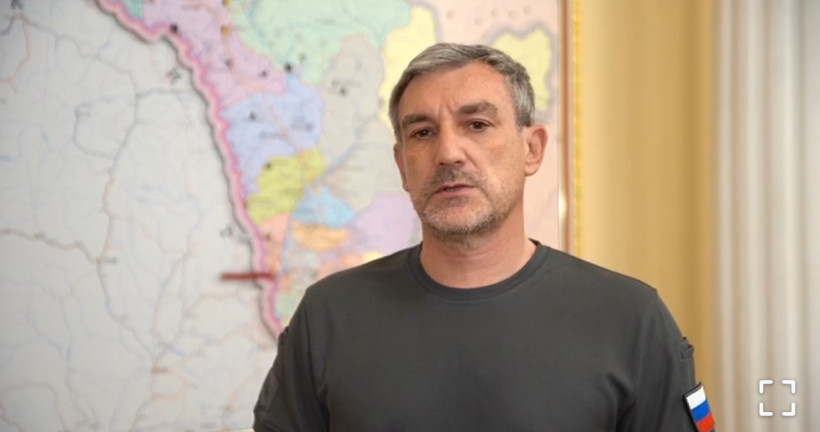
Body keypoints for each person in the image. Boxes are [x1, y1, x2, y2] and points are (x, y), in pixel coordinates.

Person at [253, 43, 710, 432]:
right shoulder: (328, 316)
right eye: (423, 132)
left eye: (477, 125)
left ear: (532, 149)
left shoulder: (631, 320)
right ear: (402, 165)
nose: (448, 153)